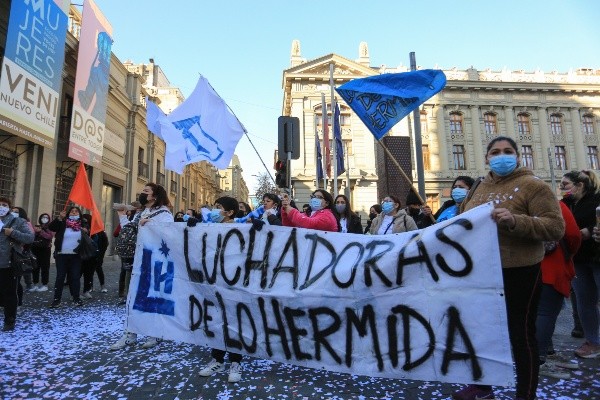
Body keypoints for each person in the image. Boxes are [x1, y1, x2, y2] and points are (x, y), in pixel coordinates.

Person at [455, 136, 565, 400]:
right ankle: (482, 387)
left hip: (520, 270)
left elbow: (555, 227)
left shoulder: (533, 186)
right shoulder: (478, 186)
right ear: (486, 159)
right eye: (495, 152)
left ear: (517, 156)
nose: (501, 156)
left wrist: (515, 221)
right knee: (482, 331)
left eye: (507, 151)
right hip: (481, 271)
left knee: (520, 335)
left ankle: (525, 393)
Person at [110, 183, 172, 351]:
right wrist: (123, 217)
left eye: (146, 191)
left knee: (153, 298)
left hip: (155, 263)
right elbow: (130, 231)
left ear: (155, 196)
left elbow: (168, 235)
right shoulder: (143, 212)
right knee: (134, 297)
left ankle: (155, 333)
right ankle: (130, 334)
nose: (142, 194)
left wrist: (150, 225)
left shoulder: (164, 214)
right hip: (140, 260)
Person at [195, 196, 245, 383]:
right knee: (217, 320)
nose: (214, 210)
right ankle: (217, 359)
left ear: (230, 212)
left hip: (235, 284)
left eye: (218, 207)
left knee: (234, 321)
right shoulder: (211, 227)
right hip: (214, 282)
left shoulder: (242, 229)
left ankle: (235, 362)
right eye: (214, 207)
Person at [536, 201, 581, 379]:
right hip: (551, 266)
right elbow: (573, 235)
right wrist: (569, 254)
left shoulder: (513, 204)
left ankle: (547, 352)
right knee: (546, 313)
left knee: (536, 314)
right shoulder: (554, 204)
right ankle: (540, 360)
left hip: (524, 268)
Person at [561, 170, 600, 359]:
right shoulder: (565, 204)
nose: (561, 188)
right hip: (577, 259)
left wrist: (590, 230)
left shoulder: (596, 200)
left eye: (565, 184)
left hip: (597, 256)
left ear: (580, 185)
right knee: (585, 302)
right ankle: (592, 341)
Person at [0, 197, 34, 331]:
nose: (1, 207)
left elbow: (30, 237)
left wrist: (13, 232)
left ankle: (9, 320)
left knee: (9, 293)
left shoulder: (17, 221)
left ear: (9, 207)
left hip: (8, 263)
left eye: (4, 205)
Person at [48, 206, 90, 308]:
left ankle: (76, 298)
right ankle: (57, 300)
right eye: (72, 211)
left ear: (79, 214)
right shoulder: (63, 222)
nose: (74, 213)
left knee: (75, 277)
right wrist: (59, 218)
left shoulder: (82, 223)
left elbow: (88, 232)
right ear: (68, 213)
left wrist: (85, 230)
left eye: (76, 211)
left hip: (76, 255)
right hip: (62, 254)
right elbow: (51, 227)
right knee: (60, 277)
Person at [80, 214, 109, 297]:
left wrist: (100, 255)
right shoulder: (82, 229)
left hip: (95, 255)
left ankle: (100, 286)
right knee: (84, 272)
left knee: (95, 270)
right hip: (84, 255)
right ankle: (88, 288)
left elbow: (104, 243)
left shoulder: (98, 231)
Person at [11, 207, 35, 302]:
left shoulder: (24, 223)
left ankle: (18, 301)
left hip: (18, 256)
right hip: (4, 255)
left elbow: (29, 238)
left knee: (15, 281)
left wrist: (13, 233)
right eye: (12, 211)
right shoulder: (5, 221)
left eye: (16, 212)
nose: (13, 213)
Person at [30, 213, 54, 292]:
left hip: (45, 250)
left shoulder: (50, 227)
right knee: (35, 267)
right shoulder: (37, 225)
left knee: (45, 267)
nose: (44, 218)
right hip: (35, 248)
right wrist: (35, 231)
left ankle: (45, 284)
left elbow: (50, 236)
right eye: (43, 217)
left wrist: (41, 231)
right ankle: (35, 284)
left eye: (46, 217)